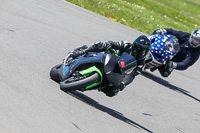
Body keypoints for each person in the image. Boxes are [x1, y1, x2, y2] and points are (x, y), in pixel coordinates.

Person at [66, 35, 150, 97]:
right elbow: (114, 44)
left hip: (118, 73)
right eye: (142, 50)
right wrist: (109, 44)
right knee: (101, 45)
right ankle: (82, 51)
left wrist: (123, 83)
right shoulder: (127, 45)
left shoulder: (141, 64)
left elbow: (131, 75)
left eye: (145, 52)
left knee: (113, 91)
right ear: (136, 47)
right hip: (111, 59)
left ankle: (88, 85)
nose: (143, 54)